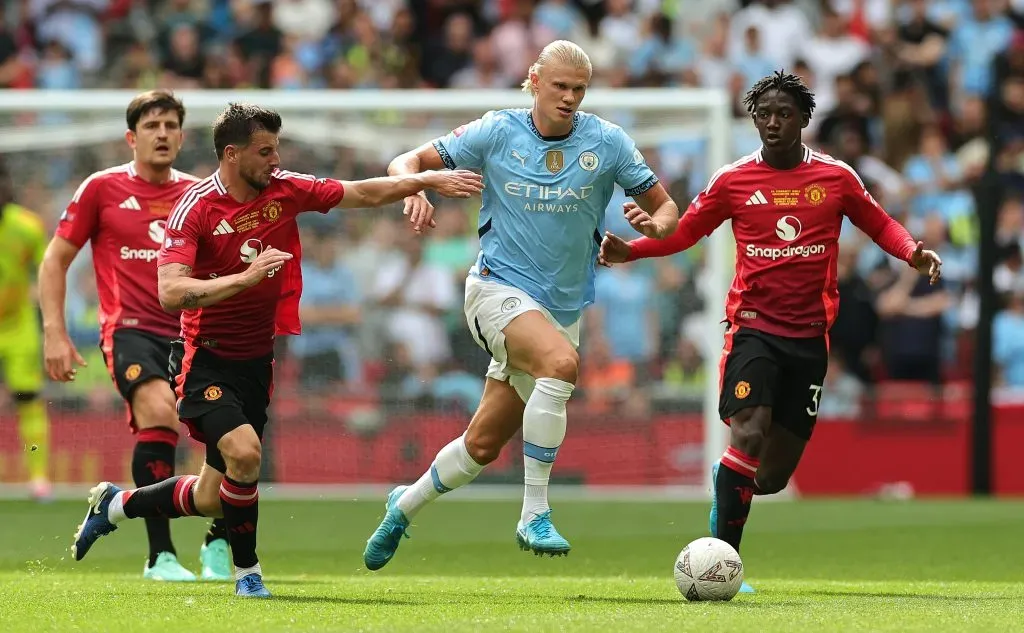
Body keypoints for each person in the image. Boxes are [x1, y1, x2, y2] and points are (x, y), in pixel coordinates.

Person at [69, 102, 483, 598]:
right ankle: (248, 574)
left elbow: (361, 192)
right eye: (265, 151)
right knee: (246, 455)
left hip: (256, 360)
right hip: (206, 358)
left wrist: (424, 182)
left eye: (277, 149)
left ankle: (113, 506)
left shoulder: (285, 188)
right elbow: (170, 291)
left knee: (211, 496)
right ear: (231, 153)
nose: (274, 159)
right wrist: (244, 278)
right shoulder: (197, 207)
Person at [599, 71, 942, 593]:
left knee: (771, 477)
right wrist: (633, 250)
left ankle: (728, 487)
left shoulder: (836, 178)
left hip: (808, 338)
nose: (774, 123)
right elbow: (687, 231)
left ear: (804, 119)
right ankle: (723, 563)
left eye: (784, 114)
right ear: (753, 120)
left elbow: (879, 223)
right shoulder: (733, 180)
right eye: (764, 115)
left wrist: (912, 252)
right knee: (749, 430)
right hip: (752, 329)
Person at [363, 40, 680, 570]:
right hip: (495, 289)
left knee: (481, 446)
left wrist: (651, 232)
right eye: (560, 86)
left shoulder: (608, 142)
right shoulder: (496, 131)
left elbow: (666, 206)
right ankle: (535, 510)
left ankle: (404, 505)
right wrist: (413, 186)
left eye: (579, 89)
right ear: (534, 81)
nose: (570, 98)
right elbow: (407, 159)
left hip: (560, 311)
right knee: (561, 365)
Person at [40, 90, 231, 582]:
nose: (162, 133)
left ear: (182, 136)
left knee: (229, 434)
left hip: (193, 330)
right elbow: (55, 261)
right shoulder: (100, 189)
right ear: (132, 137)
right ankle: (160, 555)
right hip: (130, 330)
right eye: (152, 126)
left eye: (170, 125)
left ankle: (219, 540)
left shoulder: (199, 193)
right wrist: (55, 332)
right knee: (158, 413)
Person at [0, 160, 51, 502]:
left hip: (18, 327)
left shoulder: (27, 226)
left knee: (28, 400)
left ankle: (38, 479)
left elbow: (48, 270)